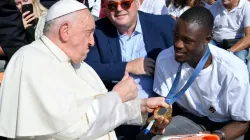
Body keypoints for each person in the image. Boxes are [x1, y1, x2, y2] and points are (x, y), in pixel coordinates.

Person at [0, 0, 169, 139]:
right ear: (65, 31)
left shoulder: (76, 63)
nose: (92, 42)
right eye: (88, 33)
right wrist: (117, 96)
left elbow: (91, 111)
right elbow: (73, 129)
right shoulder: (32, 61)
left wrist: (141, 107)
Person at [152, 6, 250, 140]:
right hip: (192, 119)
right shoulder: (164, 59)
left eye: (187, 40)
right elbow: (162, 102)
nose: (178, 44)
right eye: (176, 35)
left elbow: (243, 122)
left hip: (228, 125)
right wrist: (159, 118)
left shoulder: (233, 70)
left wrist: (215, 137)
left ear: (207, 39)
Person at [85, 0, 175, 138]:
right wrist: (127, 66)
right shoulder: (97, 31)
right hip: (118, 115)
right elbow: (88, 69)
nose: (119, 9)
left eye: (125, 3)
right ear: (106, 9)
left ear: (138, 3)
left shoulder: (163, 25)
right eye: (112, 5)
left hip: (158, 112)